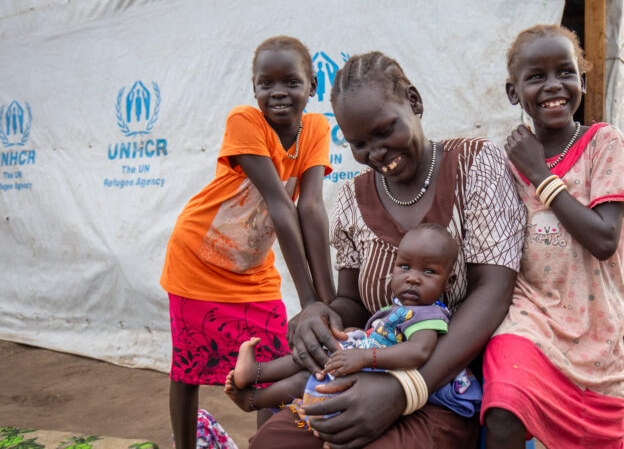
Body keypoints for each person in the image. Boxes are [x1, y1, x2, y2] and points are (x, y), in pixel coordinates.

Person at [249, 51, 526, 448]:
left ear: (414, 102)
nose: (376, 153)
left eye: (384, 131)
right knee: (274, 443)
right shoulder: (351, 199)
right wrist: (320, 314)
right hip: (368, 373)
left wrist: (404, 390)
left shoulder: (475, 165)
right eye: (359, 143)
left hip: (447, 387)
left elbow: (494, 291)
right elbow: (353, 303)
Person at [159, 35, 336, 449]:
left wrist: (329, 302)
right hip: (196, 259)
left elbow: (310, 208)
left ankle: (264, 443)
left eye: (291, 82)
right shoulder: (246, 120)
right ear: (253, 88)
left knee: (269, 363)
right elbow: (279, 204)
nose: (278, 93)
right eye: (265, 84)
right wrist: (310, 300)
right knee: (187, 369)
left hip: (251, 270)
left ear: (312, 86)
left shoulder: (316, 128)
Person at [481, 24, 624, 449]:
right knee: (502, 414)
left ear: (582, 82)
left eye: (565, 73)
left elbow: (604, 239)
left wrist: (541, 174)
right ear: (514, 93)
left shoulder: (602, 144)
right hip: (528, 319)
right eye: (536, 76)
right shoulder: (506, 163)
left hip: (595, 332)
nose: (554, 85)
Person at [224, 224, 480, 422]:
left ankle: (254, 400)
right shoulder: (398, 307)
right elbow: (386, 335)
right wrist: (359, 334)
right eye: (405, 267)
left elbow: (418, 351)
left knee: (308, 378)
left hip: (386, 375)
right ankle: (256, 372)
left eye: (428, 272)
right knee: (317, 355)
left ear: (449, 282)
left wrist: (367, 356)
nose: (413, 279)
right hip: (371, 361)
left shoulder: (429, 315)